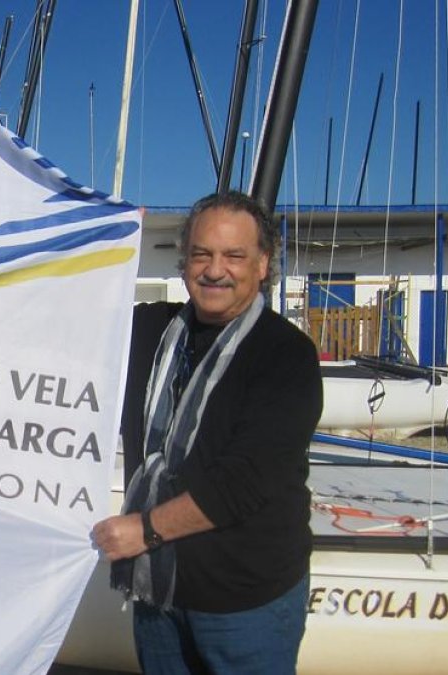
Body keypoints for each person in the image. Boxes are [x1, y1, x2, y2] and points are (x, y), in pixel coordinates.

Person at [93, 191, 323, 674]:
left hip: (245, 600)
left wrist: (145, 529)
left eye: (234, 256)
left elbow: (245, 481)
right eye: (201, 254)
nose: (215, 269)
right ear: (184, 263)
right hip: (158, 591)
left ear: (262, 264)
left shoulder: (286, 355)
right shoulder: (147, 331)